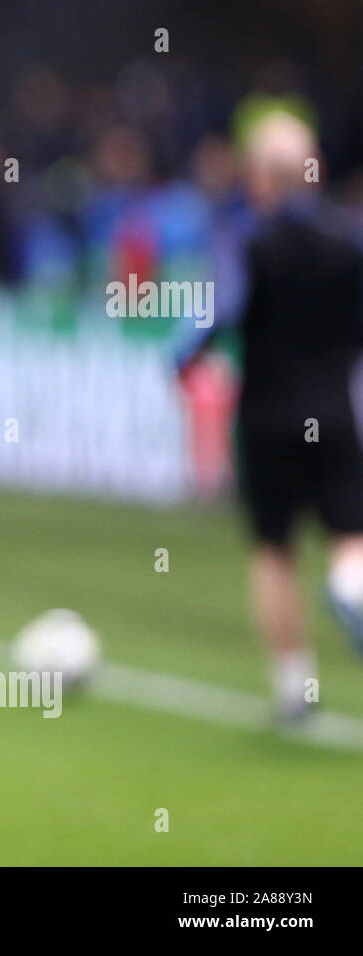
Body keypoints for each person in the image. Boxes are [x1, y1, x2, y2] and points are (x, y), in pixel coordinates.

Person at [173, 110, 363, 721]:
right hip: (338, 414)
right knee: (351, 541)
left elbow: (203, 326)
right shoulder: (350, 240)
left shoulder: (244, 245)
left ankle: (294, 690)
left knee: (273, 552)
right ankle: (353, 594)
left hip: (267, 417)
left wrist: (183, 366)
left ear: (258, 178)